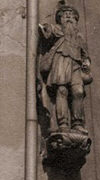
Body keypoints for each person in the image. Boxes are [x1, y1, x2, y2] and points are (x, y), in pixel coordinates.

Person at [37, 3, 91, 133]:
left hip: (76, 65)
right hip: (61, 61)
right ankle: (63, 124)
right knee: (62, 90)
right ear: (60, 19)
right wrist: (44, 27)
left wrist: (87, 64)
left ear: (75, 20)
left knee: (78, 92)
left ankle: (77, 123)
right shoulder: (58, 30)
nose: (68, 18)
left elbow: (85, 55)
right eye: (65, 16)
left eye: (71, 16)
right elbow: (46, 31)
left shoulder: (79, 37)